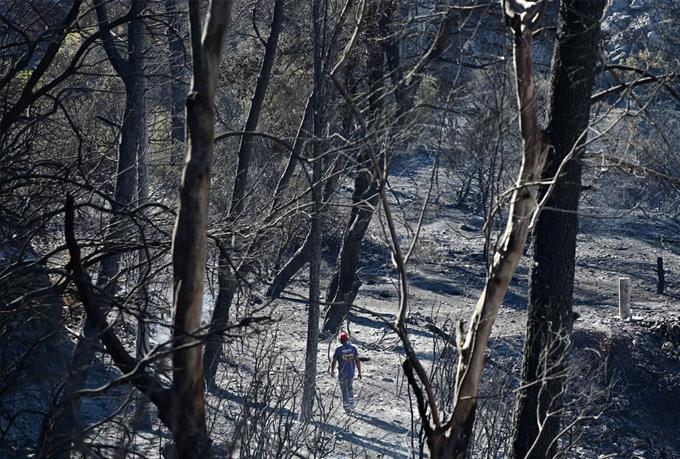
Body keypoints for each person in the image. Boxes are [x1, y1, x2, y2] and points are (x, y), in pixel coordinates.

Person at [330, 331, 362, 412]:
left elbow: (334, 361)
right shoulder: (353, 348)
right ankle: (352, 404)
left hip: (342, 373)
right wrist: (359, 372)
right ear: (347, 339)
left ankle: (346, 406)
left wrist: (332, 370)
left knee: (344, 389)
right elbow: (357, 361)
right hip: (351, 372)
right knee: (350, 388)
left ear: (340, 340)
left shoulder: (338, 349)